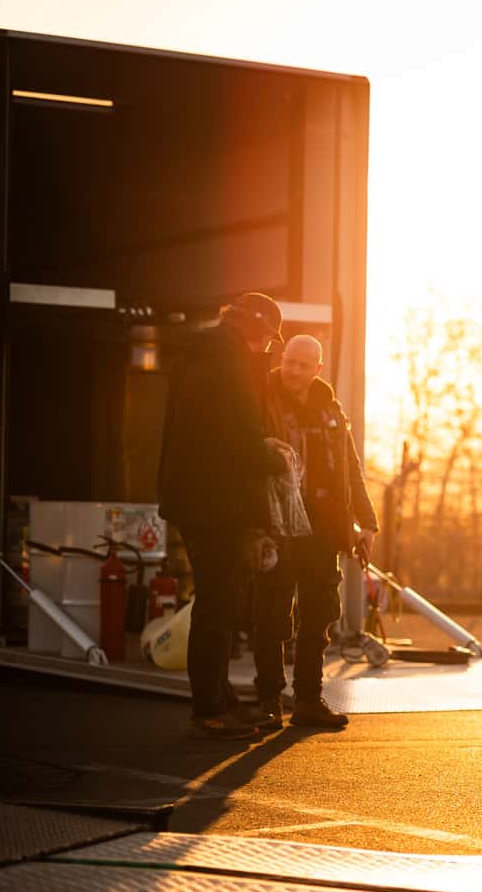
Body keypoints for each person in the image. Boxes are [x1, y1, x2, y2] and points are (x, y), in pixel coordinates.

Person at [157, 292, 289, 740]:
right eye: (269, 339)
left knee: (215, 601)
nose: (268, 349)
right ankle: (210, 710)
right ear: (254, 328)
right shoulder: (232, 363)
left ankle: (222, 699)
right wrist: (275, 456)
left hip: (191, 497)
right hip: (218, 502)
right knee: (218, 606)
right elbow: (241, 437)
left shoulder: (195, 355)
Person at [253, 335, 379, 727]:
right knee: (272, 615)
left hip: (323, 529)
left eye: (304, 365)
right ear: (283, 359)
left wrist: (367, 522)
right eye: (290, 362)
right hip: (277, 525)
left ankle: (308, 700)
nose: (294, 371)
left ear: (317, 369)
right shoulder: (261, 400)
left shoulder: (331, 410)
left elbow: (350, 468)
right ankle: (269, 702)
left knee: (319, 615)